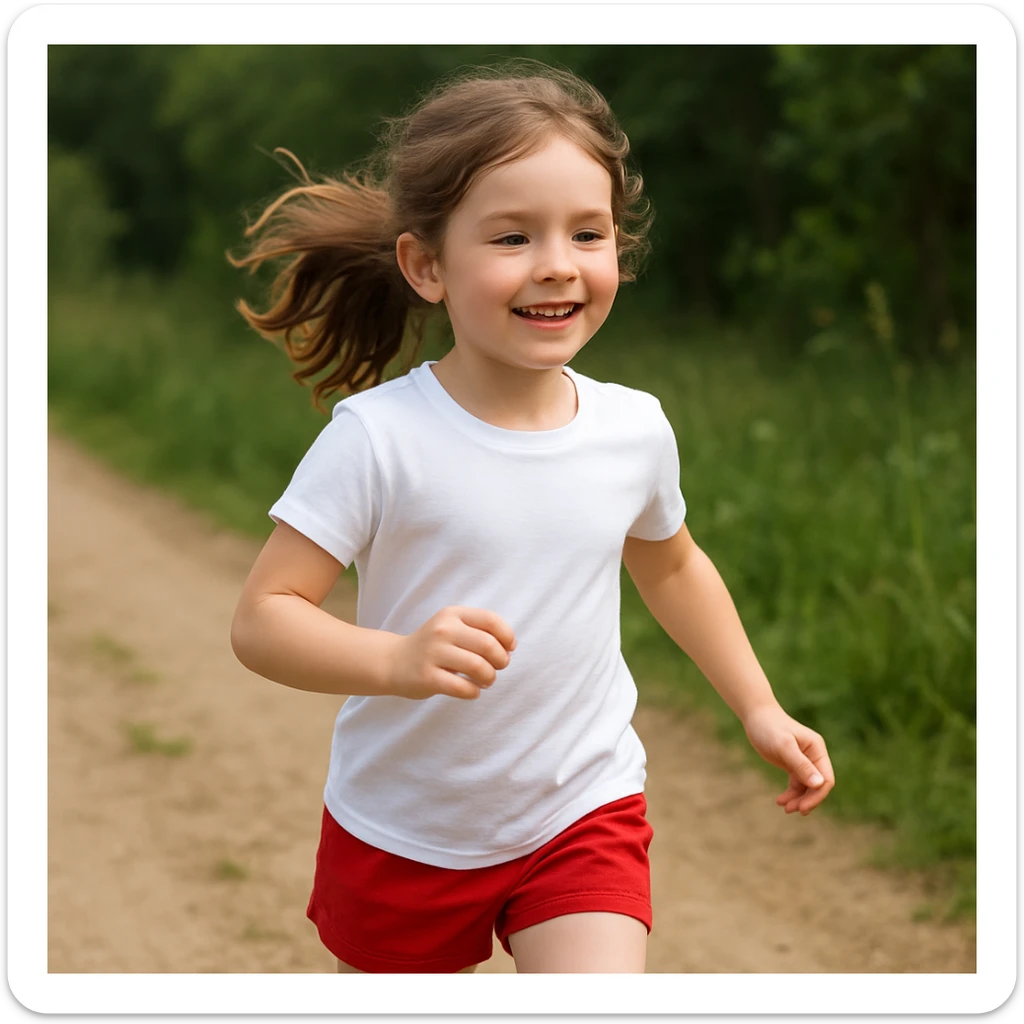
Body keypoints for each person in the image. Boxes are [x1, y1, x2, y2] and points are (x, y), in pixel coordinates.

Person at [227, 60, 835, 975]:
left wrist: (758, 705)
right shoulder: (378, 439)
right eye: (512, 237)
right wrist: (394, 659)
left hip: (582, 807)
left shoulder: (634, 427)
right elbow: (262, 619)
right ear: (426, 265)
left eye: (587, 233)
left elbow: (670, 565)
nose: (557, 263)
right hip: (407, 825)